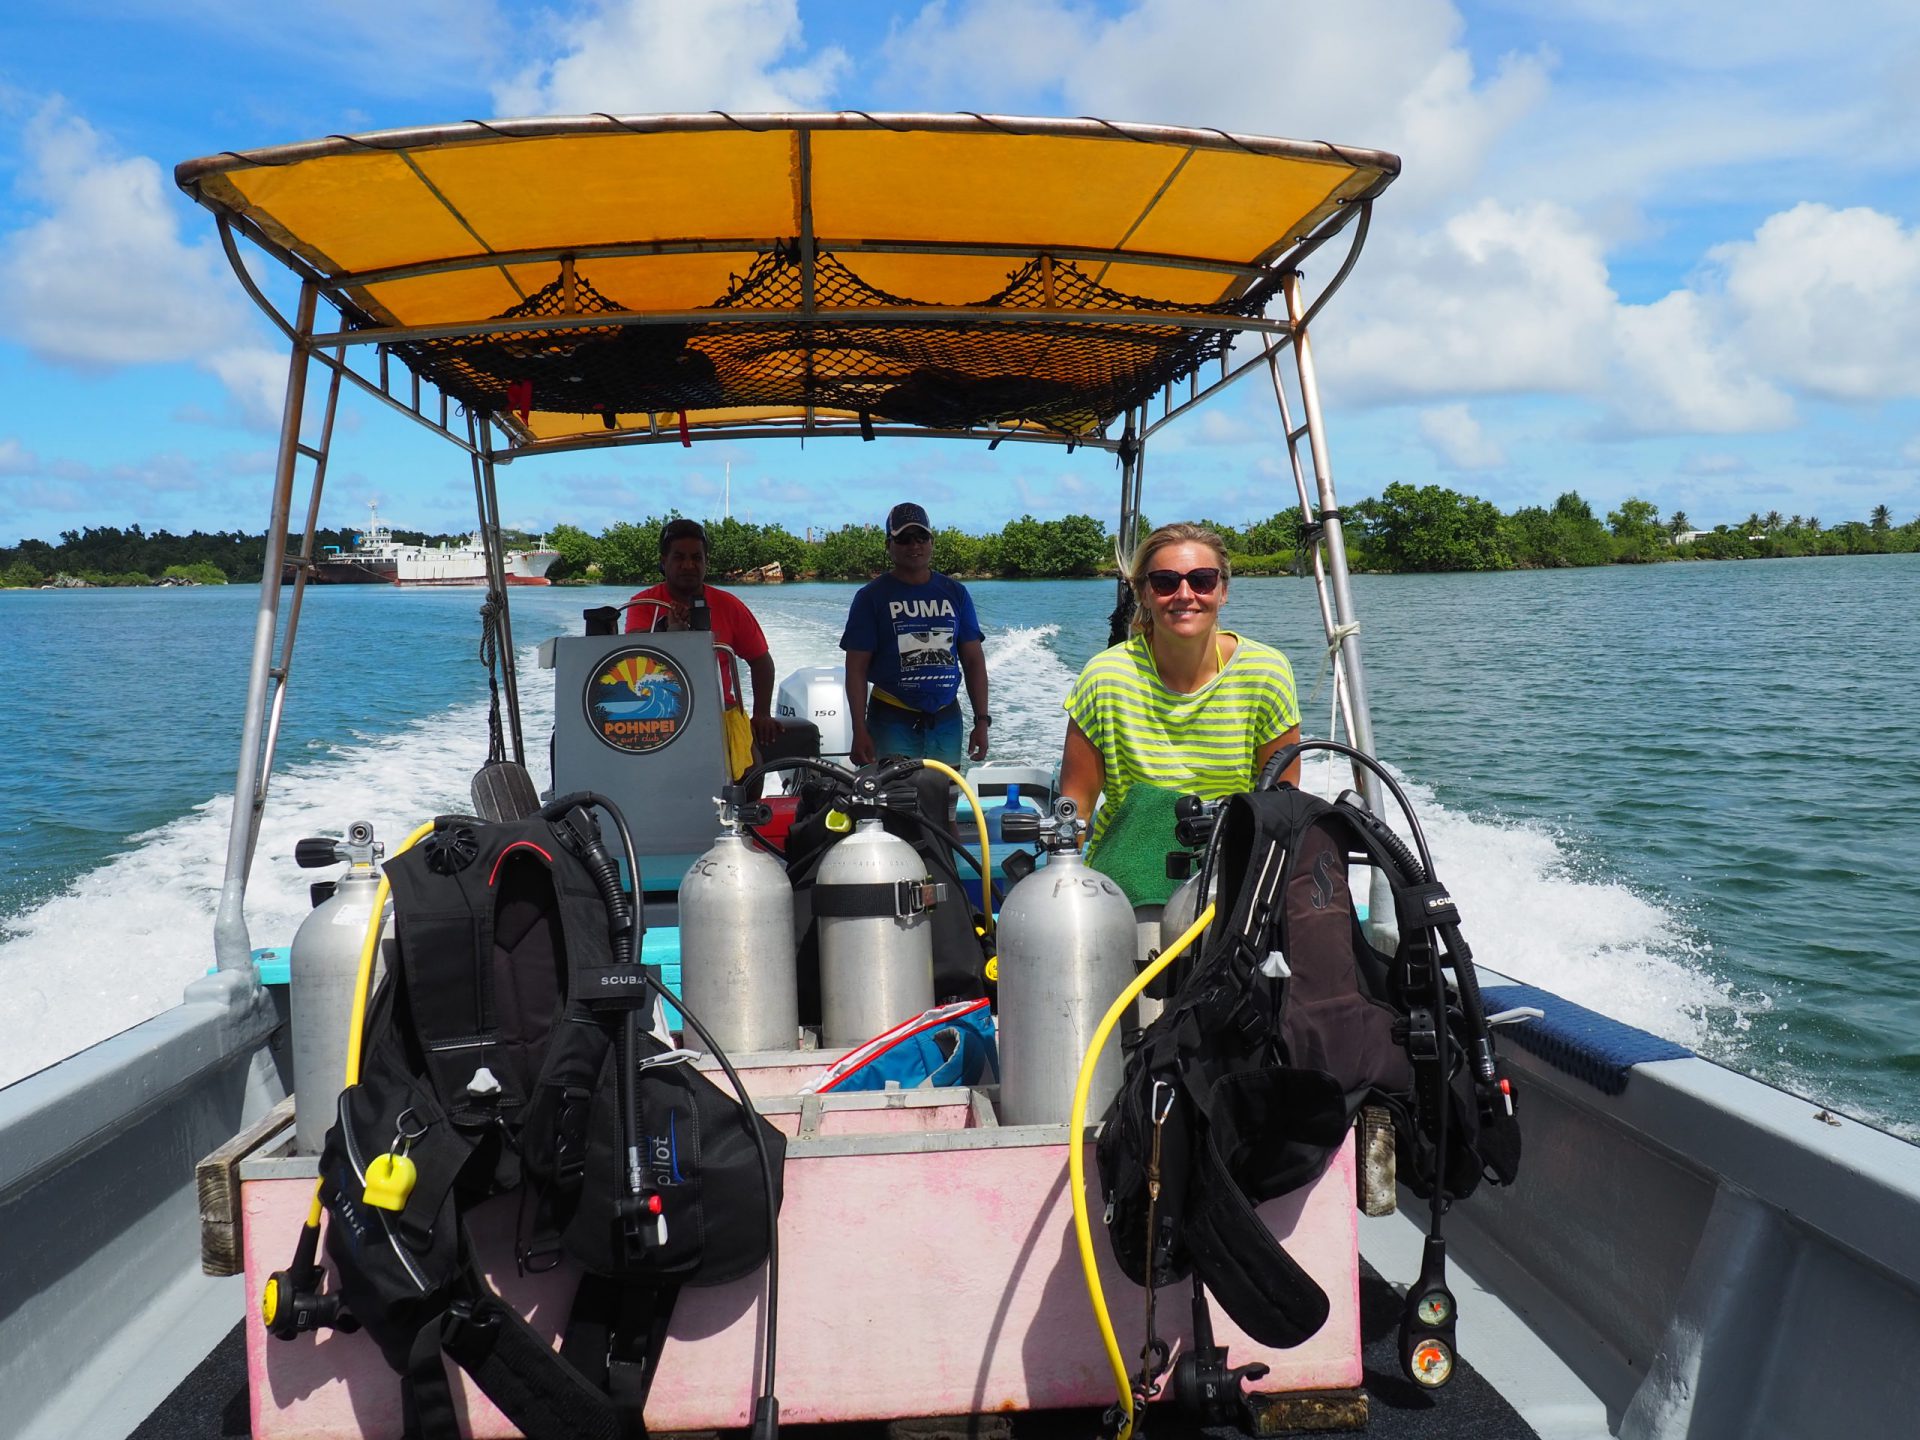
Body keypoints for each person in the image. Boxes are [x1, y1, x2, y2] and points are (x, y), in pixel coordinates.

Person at [1060, 522, 1301, 862]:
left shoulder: (1265, 672)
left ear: (1223, 590)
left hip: (1230, 865)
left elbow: (1283, 804)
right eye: (1165, 582)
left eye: (1202, 580)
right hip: (1126, 865)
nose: (1185, 595)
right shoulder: (1104, 678)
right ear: (1144, 593)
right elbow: (1076, 810)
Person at [624, 518, 781, 779]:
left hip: (721, 711)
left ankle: (743, 820)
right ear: (664, 562)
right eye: (679, 557)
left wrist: (762, 713)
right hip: (656, 711)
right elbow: (634, 652)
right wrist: (666, 627)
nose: (688, 565)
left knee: (751, 771)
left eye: (697, 557)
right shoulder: (643, 603)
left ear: (706, 562)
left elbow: (761, 661)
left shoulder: (729, 606)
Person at [841, 502, 990, 766]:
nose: (915, 545)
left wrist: (981, 721)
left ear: (932, 542)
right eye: (904, 539)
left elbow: (973, 661)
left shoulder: (956, 593)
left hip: (946, 719)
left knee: (945, 801)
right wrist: (859, 729)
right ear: (889, 546)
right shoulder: (871, 598)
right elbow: (856, 669)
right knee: (896, 802)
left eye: (922, 537)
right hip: (891, 718)